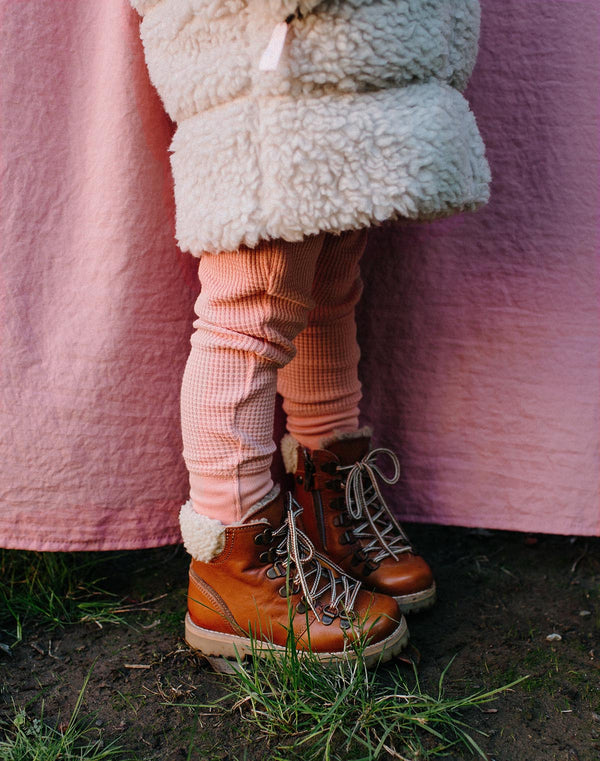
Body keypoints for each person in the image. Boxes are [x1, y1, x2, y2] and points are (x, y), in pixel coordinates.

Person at [130, 0, 490, 664]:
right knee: (248, 311)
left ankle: (330, 501)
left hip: (336, 59)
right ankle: (230, 563)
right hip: (268, 57)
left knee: (327, 285)